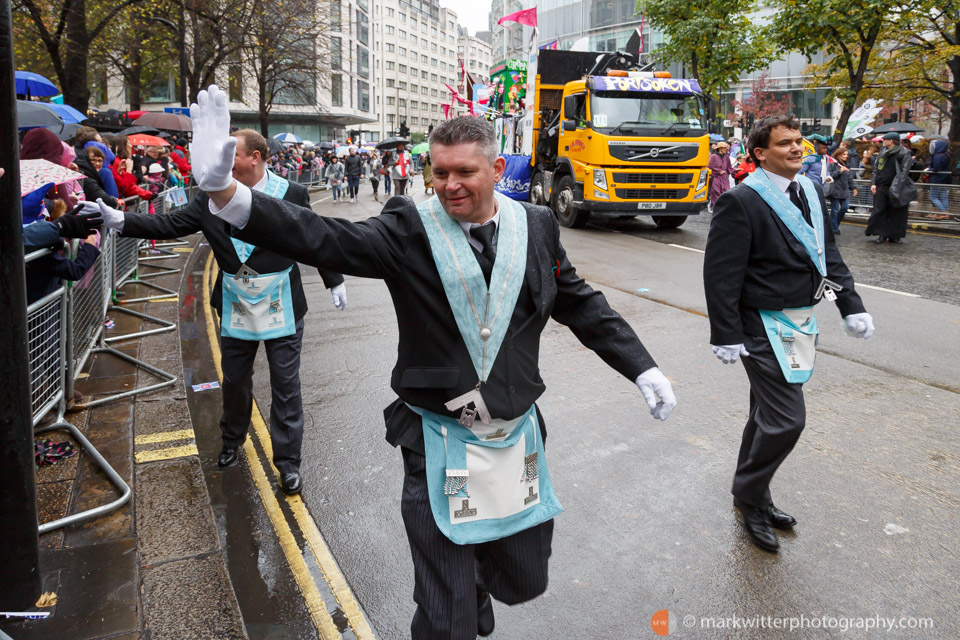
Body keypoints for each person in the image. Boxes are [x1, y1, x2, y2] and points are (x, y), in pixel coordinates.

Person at [188, 85, 677, 639]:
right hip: (439, 440)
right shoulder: (409, 226)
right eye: (439, 172)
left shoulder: (536, 225)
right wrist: (228, 195)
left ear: (496, 167)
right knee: (447, 619)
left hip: (516, 435)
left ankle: (473, 591)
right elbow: (324, 236)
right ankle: (453, 606)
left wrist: (642, 366)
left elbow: (578, 301)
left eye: (464, 172)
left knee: (524, 578)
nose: (449, 185)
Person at [84, 126, 347, 495]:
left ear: (254, 157)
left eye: (232, 155)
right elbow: (169, 223)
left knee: (286, 385)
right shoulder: (212, 196)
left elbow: (315, 238)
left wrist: (333, 278)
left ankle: (288, 462)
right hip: (235, 299)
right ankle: (231, 440)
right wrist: (121, 220)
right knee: (235, 380)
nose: (224, 163)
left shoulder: (292, 193)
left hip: (281, 300)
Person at [703, 114, 873, 554]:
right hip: (760, 324)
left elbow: (826, 254)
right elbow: (722, 273)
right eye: (785, 144)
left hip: (800, 319)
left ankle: (755, 495)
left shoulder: (811, 190)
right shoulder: (742, 200)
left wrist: (849, 305)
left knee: (765, 415)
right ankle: (749, 495)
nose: (798, 149)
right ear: (760, 154)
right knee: (786, 420)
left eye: (799, 142)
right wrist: (725, 332)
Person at [866, 132, 917, 244]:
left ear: (891, 141)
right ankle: (881, 234)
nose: (882, 141)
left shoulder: (904, 153)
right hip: (881, 185)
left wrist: (896, 187)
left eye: (885, 139)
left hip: (897, 186)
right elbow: (876, 169)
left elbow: (904, 172)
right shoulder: (883, 152)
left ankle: (894, 236)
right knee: (880, 210)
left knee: (897, 211)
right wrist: (873, 183)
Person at [827, 147, 857, 233]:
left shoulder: (847, 165)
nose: (846, 156)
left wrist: (854, 187)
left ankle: (835, 224)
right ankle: (834, 228)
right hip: (835, 190)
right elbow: (830, 175)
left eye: (847, 155)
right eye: (844, 154)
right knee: (835, 210)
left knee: (845, 208)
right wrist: (839, 171)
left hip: (845, 191)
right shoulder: (833, 164)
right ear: (839, 155)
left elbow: (850, 178)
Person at [926, 140, 951, 213]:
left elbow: (936, 168)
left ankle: (943, 212)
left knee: (933, 197)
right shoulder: (946, 155)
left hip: (937, 179)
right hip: (945, 178)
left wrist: (929, 170)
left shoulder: (937, 156)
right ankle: (944, 211)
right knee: (944, 196)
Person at [708, 141, 733, 209]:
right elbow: (709, 167)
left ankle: (724, 209)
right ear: (720, 148)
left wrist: (735, 170)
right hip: (716, 178)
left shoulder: (726, 157)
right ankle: (716, 209)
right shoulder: (713, 157)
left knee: (726, 192)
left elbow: (729, 167)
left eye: (726, 148)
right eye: (724, 148)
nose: (726, 150)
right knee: (716, 193)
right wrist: (718, 171)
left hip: (724, 178)